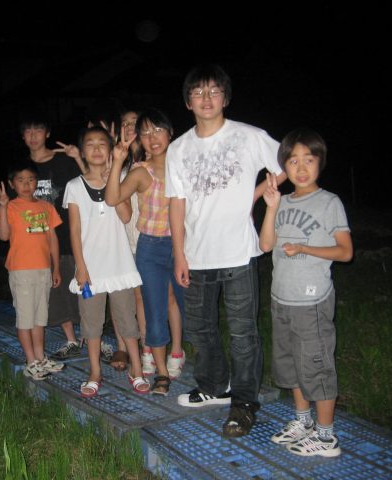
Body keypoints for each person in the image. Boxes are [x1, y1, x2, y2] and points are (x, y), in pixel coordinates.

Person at [166, 63, 285, 437]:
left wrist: (256, 194)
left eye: (214, 90)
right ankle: (214, 386)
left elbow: (287, 163)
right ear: (188, 101)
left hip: (238, 254)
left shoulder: (249, 136)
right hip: (197, 253)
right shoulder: (178, 148)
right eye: (198, 92)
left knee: (242, 333)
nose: (206, 98)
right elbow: (176, 204)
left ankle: (244, 402)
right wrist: (179, 253)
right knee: (200, 329)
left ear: (226, 97)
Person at [259, 128, 353, 457]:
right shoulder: (281, 202)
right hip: (281, 298)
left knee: (317, 367)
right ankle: (303, 421)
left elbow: (345, 252)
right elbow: (265, 245)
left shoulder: (329, 203)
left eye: (308, 160)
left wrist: (304, 248)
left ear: (319, 163)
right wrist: (271, 207)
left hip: (312, 301)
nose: (301, 168)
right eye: (293, 161)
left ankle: (326, 437)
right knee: (291, 365)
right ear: (284, 166)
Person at [62, 125, 148, 397]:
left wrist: (112, 178)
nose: (97, 148)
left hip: (120, 265)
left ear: (110, 149)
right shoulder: (74, 187)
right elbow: (74, 230)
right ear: (82, 151)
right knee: (91, 324)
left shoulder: (119, 179)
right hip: (91, 268)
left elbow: (125, 216)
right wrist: (81, 267)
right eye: (90, 144)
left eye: (102, 143)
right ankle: (94, 372)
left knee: (127, 321)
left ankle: (137, 369)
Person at [106, 107, 186, 395]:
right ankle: (162, 372)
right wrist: (117, 161)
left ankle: (178, 353)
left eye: (158, 130)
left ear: (170, 133)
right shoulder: (141, 171)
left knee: (179, 303)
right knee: (153, 309)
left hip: (181, 245)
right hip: (151, 247)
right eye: (146, 133)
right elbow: (113, 197)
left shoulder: (184, 166)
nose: (153, 138)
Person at [18, 114, 84, 360]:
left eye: (38, 130)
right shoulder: (23, 167)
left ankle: (90, 335)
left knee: (82, 286)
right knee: (56, 291)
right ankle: (71, 339)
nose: (33, 136)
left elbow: (88, 182)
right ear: (23, 136)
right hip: (39, 241)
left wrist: (78, 156)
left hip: (70, 232)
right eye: (28, 131)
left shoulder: (64, 160)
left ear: (47, 133)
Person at [0, 162, 66, 380]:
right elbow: (3, 236)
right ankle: (30, 361)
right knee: (25, 318)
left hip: (43, 269)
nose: (26, 185)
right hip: (21, 270)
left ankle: (40, 357)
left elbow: (52, 238)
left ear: (37, 182)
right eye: (21, 180)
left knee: (39, 318)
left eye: (31, 180)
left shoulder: (46, 207)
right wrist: (3, 207)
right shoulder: (11, 207)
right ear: (12, 184)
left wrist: (56, 268)